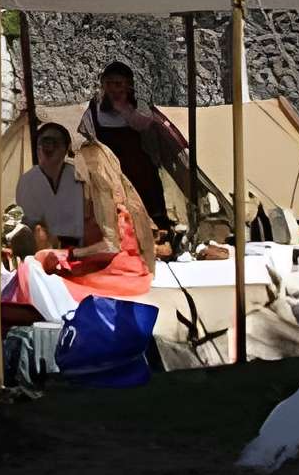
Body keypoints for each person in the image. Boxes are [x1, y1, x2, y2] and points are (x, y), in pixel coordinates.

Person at [14, 139, 159, 315]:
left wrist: (69, 254)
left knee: (33, 274)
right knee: (36, 266)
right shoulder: (93, 205)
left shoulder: (113, 209)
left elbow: (111, 247)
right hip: (104, 270)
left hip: (121, 278)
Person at [78, 63, 182, 241]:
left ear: (128, 86)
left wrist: (123, 109)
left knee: (149, 216)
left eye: (118, 84)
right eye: (109, 84)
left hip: (140, 173)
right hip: (110, 174)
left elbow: (145, 126)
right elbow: (88, 139)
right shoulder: (94, 111)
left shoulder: (140, 107)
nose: (113, 89)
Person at [13, 122, 86, 254]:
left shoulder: (79, 177)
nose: (49, 147)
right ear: (37, 148)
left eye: (56, 142)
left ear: (66, 148)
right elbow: (30, 222)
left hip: (78, 248)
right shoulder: (27, 180)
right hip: (42, 248)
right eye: (44, 142)